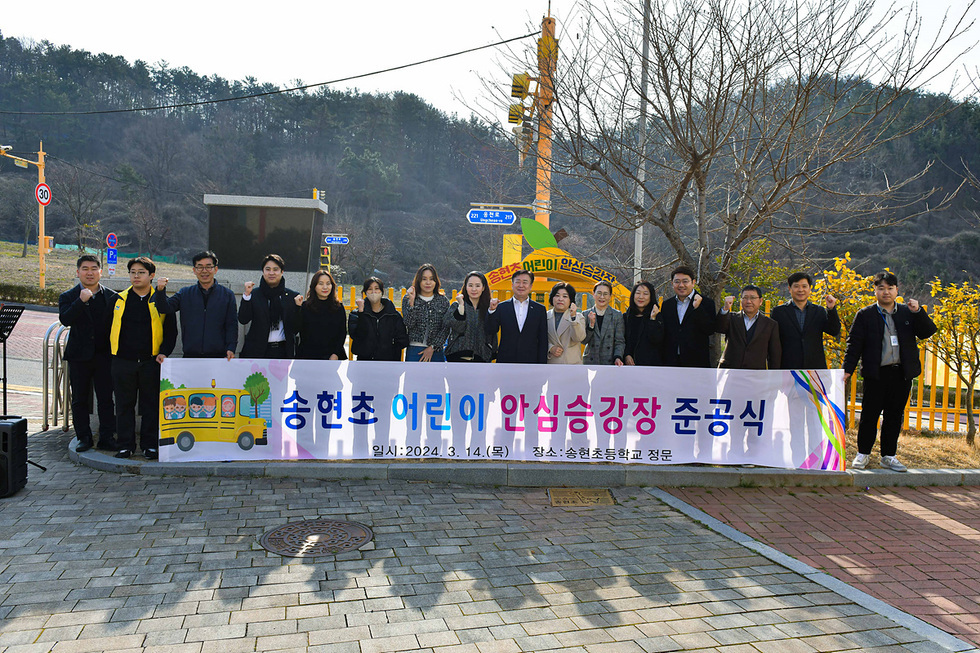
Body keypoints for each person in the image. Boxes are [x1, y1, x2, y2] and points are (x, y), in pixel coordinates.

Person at [843, 271, 937, 472]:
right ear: (875, 290)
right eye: (881, 288)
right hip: (875, 373)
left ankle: (888, 456)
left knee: (894, 416)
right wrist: (847, 370)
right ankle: (863, 453)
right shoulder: (865, 314)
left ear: (897, 290)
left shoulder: (907, 312)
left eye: (890, 288)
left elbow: (928, 331)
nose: (886, 292)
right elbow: (854, 345)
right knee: (869, 415)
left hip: (901, 373)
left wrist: (919, 311)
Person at [108, 257, 177, 460]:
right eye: (132, 272)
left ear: (152, 276)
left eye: (141, 272)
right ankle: (125, 445)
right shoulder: (118, 299)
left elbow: (171, 331)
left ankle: (149, 445)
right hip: (122, 361)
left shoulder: (161, 300)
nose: (136, 276)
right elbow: (106, 328)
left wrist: (164, 352)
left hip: (151, 361)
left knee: (150, 405)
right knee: (123, 405)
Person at [59, 255, 119, 452]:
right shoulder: (68, 296)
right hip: (78, 357)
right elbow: (66, 319)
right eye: (85, 269)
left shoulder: (112, 297)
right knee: (79, 399)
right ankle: (83, 437)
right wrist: (80, 301)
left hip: (104, 356)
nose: (90, 272)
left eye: (94, 268)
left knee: (106, 399)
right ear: (78, 272)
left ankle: (107, 437)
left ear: (100, 272)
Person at [153, 250, 237, 360]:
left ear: (215, 269)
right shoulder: (185, 293)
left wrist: (231, 347)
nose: (204, 271)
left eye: (208, 267)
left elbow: (232, 324)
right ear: (194, 270)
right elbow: (165, 308)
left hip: (218, 357)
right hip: (190, 356)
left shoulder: (227, 295)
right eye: (200, 267)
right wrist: (160, 290)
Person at [770, 272, 840, 369]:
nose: (800, 290)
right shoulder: (779, 312)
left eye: (804, 286)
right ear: (790, 289)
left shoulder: (819, 311)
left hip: (814, 367)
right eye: (796, 286)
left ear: (810, 289)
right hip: (788, 367)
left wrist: (831, 309)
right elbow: (773, 341)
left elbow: (834, 331)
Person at [238, 254, 301, 358]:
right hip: (257, 352)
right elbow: (243, 319)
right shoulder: (255, 294)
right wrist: (246, 297)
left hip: (283, 352)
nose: (271, 273)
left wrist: (298, 308)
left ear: (282, 272)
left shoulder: (291, 296)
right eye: (268, 269)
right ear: (263, 272)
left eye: (275, 269)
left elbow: (295, 328)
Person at [659, 266, 717, 367]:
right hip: (671, 362)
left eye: (685, 281)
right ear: (672, 283)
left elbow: (710, 329)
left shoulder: (706, 303)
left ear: (693, 282)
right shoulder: (667, 305)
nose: (681, 285)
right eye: (677, 282)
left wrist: (698, 308)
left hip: (696, 362)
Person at [486, 269, 548, 364]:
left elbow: (543, 339)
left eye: (525, 282)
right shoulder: (501, 307)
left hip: (531, 361)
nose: (521, 285)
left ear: (531, 286)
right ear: (512, 285)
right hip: (506, 360)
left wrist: (542, 365)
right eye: (518, 282)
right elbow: (490, 330)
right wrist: (492, 311)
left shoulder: (539, 309)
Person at [717, 285, 782, 369]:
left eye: (753, 298)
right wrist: (725, 309)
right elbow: (719, 328)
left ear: (760, 301)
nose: (748, 301)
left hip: (756, 373)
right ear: (741, 301)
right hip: (730, 370)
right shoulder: (731, 318)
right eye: (745, 298)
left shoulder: (770, 324)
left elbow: (774, 355)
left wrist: (773, 375)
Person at [348, 277, 408, 361]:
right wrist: (361, 313)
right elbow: (357, 336)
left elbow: (402, 339)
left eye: (377, 289)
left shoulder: (393, 314)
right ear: (365, 292)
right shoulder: (356, 314)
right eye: (369, 289)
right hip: (365, 361)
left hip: (389, 362)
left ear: (382, 291)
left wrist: (391, 352)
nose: (373, 292)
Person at [401, 264, 451, 362]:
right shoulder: (408, 299)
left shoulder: (443, 301)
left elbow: (446, 328)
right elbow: (409, 324)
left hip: (436, 350)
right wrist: (412, 304)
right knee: (414, 377)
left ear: (436, 281)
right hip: (414, 350)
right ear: (419, 281)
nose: (428, 282)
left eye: (431, 279)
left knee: (436, 377)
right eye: (424, 279)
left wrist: (433, 347)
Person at [295, 270, 348, 360]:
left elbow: (342, 333)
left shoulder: (338, 307)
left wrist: (335, 354)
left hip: (332, 357)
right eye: (320, 283)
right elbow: (296, 329)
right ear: (314, 286)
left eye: (328, 283)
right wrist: (297, 308)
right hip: (307, 356)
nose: (325, 287)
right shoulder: (305, 306)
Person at [444, 271, 495, 362]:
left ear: (483, 288)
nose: (474, 289)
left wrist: (492, 350)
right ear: (466, 287)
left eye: (477, 286)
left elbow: (492, 331)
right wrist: (461, 306)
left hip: (481, 356)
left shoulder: (488, 307)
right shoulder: (456, 305)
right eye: (470, 285)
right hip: (457, 355)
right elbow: (451, 324)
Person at [583, 281, 626, 366]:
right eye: (599, 293)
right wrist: (591, 325)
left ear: (610, 296)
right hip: (590, 362)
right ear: (593, 294)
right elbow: (583, 341)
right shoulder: (585, 314)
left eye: (605, 294)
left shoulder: (617, 315)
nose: (602, 297)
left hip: (610, 362)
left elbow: (620, 341)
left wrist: (618, 357)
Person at [623, 281, 664, 366]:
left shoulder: (658, 316)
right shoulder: (625, 317)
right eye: (638, 293)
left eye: (645, 294)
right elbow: (621, 340)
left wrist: (652, 319)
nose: (641, 297)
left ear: (651, 297)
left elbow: (657, 340)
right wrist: (626, 355)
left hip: (650, 366)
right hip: (628, 366)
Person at [545, 282, 586, 364]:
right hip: (551, 364)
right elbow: (538, 338)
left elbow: (578, 338)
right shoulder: (545, 316)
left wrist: (573, 318)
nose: (560, 299)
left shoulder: (578, 317)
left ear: (570, 300)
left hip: (572, 365)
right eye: (557, 295)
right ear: (552, 298)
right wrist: (550, 348)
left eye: (565, 296)